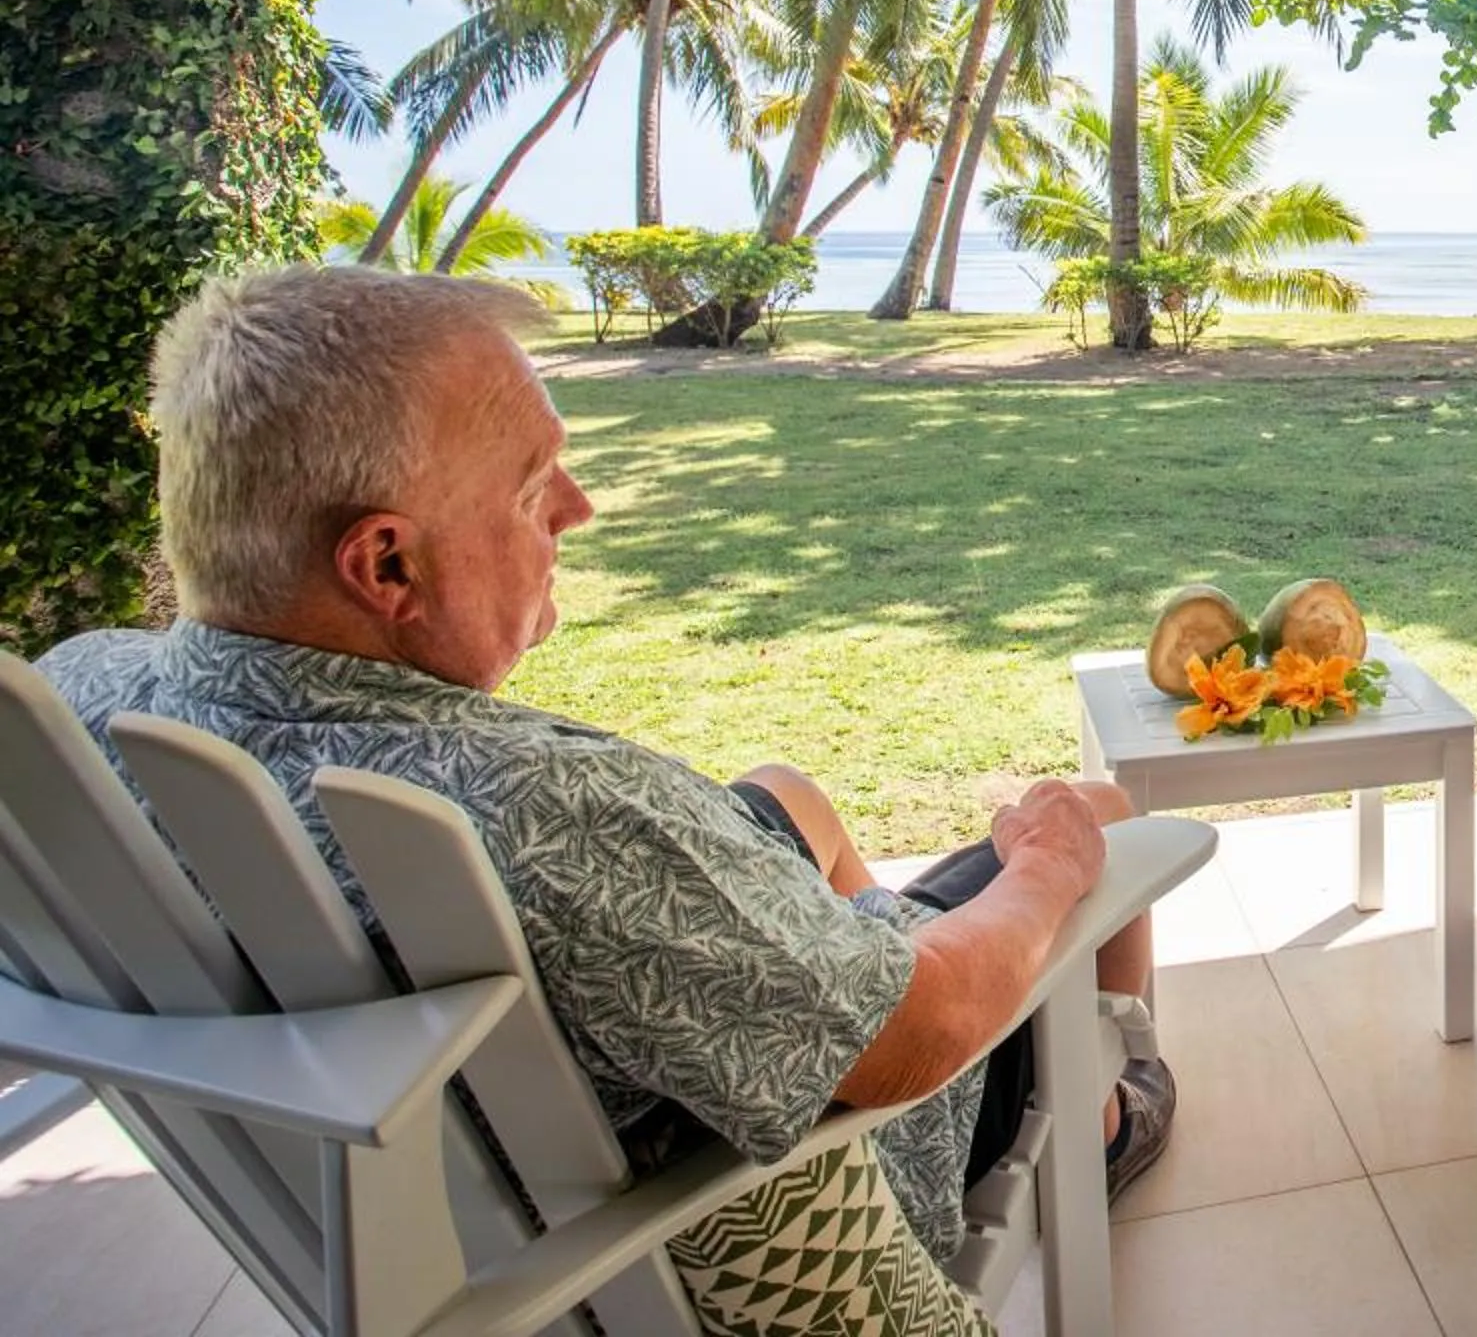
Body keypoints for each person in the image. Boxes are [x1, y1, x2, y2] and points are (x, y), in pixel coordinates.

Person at [36, 265, 1173, 1281]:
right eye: (535, 485)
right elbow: (915, 1035)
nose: (577, 509)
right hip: (797, 1153)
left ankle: (862, 925)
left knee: (788, 791)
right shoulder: (544, 817)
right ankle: (1112, 1112)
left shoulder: (88, 691)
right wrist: (1042, 868)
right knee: (1098, 818)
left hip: (521, 1121)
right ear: (386, 561)